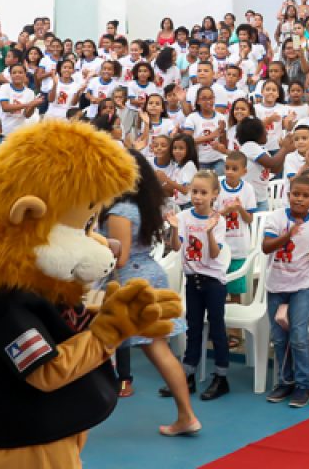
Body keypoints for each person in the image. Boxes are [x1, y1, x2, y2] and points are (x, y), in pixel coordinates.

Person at [105, 152, 199, 435]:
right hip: (148, 276)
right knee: (159, 349)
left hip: (130, 285)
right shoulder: (144, 205)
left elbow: (118, 259)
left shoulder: (120, 210)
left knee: (94, 346)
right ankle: (186, 415)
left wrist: (92, 241)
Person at [263, 174, 309, 407]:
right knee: (279, 339)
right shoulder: (276, 217)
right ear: (288, 194)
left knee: (299, 337)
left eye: (305, 196)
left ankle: (303, 386)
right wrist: (287, 235)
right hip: (276, 285)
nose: (299, 199)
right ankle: (285, 381)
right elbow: (265, 247)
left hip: (301, 286)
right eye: (295, 194)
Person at [175, 172, 231, 401]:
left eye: (203, 192)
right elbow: (174, 245)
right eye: (194, 192)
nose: (198, 197)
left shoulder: (219, 220)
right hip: (193, 279)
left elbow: (216, 253)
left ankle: (221, 376)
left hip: (214, 282)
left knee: (217, 328)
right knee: (193, 327)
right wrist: (171, 229)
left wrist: (208, 231)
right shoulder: (184, 217)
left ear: (214, 195)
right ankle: (187, 374)